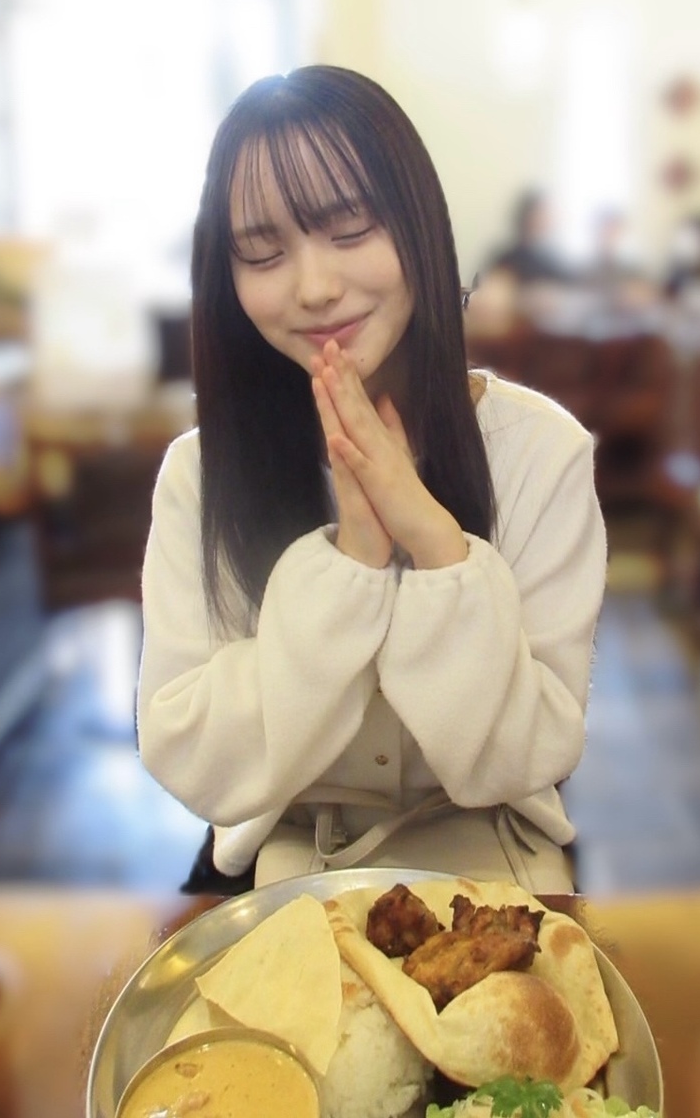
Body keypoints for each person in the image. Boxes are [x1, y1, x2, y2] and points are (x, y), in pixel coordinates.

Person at [136, 66, 607, 894]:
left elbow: (534, 751)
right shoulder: (198, 476)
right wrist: (350, 560)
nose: (315, 288)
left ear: (419, 224)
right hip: (287, 866)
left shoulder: (542, 451)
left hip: (497, 863)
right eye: (263, 252)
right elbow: (191, 754)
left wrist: (433, 543)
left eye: (350, 229)